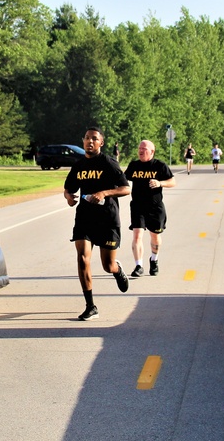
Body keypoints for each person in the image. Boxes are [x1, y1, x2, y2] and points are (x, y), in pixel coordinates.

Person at [63, 127, 131, 321]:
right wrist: (69, 197)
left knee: (107, 265)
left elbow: (126, 189)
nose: (90, 142)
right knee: (82, 258)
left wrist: (104, 193)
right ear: (83, 141)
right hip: (84, 217)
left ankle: (117, 270)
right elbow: (68, 189)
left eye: (94, 139)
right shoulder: (79, 165)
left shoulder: (109, 163)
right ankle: (90, 306)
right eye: (87, 138)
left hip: (107, 219)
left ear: (101, 143)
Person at [124, 140, 176, 278]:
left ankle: (154, 260)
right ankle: (138, 265)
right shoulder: (134, 166)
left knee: (155, 236)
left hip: (155, 207)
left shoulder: (159, 166)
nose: (141, 150)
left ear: (152, 151)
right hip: (137, 206)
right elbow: (123, 179)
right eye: (139, 148)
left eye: (144, 148)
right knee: (137, 235)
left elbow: (172, 181)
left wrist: (160, 183)